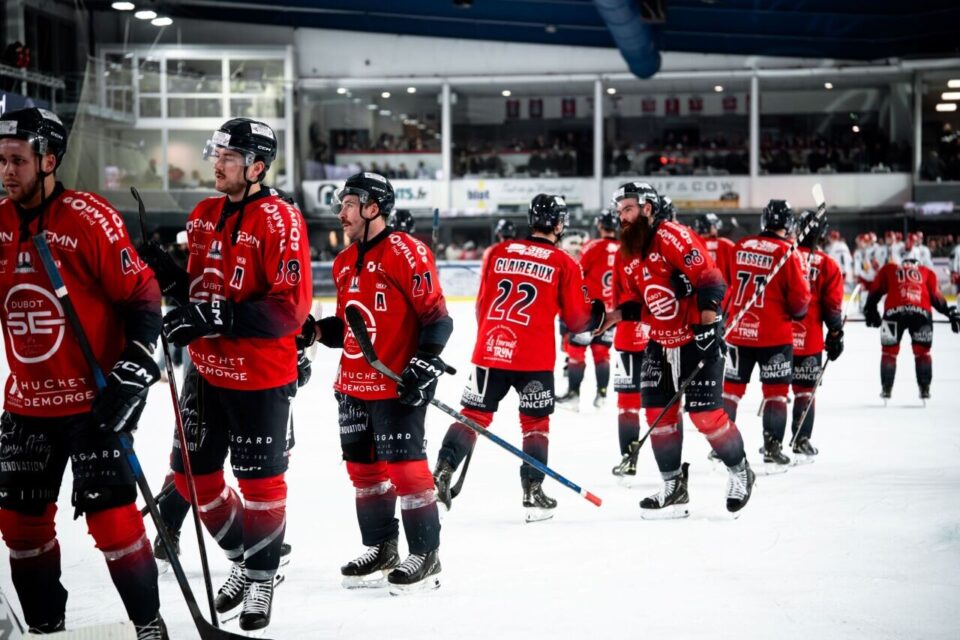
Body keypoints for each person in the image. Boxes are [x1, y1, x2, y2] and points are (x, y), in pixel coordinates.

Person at [139, 118, 312, 631]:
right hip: (206, 372)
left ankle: (260, 577)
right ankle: (250, 556)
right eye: (216, 154)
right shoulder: (203, 214)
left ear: (256, 167)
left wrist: (214, 315)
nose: (217, 163)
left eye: (228, 157)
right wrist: (166, 272)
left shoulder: (281, 220)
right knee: (192, 479)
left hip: (260, 375)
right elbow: (201, 291)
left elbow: (289, 310)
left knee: (260, 485)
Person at [0, 108, 167, 637]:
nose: (6, 171)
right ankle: (45, 626)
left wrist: (135, 364)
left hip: (94, 401)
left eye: (18, 160)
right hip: (27, 403)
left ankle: (149, 623)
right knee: (20, 527)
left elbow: (142, 293)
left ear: (49, 161)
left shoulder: (88, 217)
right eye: (1, 161)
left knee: (113, 520)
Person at [299, 172, 453, 594]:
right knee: (364, 472)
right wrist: (316, 331)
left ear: (373, 208)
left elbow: (438, 318)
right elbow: (350, 329)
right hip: (352, 385)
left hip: (396, 384)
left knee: (406, 471)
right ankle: (382, 548)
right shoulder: (344, 261)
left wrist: (424, 362)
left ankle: (426, 554)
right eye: (342, 205)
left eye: (349, 204)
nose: (341, 213)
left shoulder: (406, 251)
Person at [433, 194, 605, 522]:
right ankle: (532, 491)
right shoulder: (564, 262)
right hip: (533, 357)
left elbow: (482, 305)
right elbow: (578, 321)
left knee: (473, 416)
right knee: (535, 423)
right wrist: (596, 313)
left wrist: (490, 342)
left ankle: (442, 471)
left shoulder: (498, 251)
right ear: (559, 224)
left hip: (491, 348)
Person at [600, 182, 755, 517]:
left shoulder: (672, 235)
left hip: (695, 338)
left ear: (647, 209)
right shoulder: (629, 251)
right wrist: (613, 316)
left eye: (628, 209)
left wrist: (709, 326)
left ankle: (740, 470)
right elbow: (644, 304)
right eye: (619, 211)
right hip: (659, 342)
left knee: (705, 416)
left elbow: (711, 279)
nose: (621, 216)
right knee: (658, 416)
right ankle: (673, 486)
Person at [722, 200, 811, 471]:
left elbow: (728, 285)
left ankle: (720, 446)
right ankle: (772, 448)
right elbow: (800, 301)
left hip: (738, 331)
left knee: (730, 392)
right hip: (774, 336)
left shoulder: (740, 246)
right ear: (789, 224)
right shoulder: (788, 252)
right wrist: (798, 313)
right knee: (776, 394)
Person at [864, 257, 960, 401]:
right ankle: (925, 388)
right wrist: (949, 312)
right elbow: (936, 297)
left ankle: (886, 388)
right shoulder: (927, 272)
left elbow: (875, 290)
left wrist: (870, 310)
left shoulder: (890, 269)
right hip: (921, 312)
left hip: (893, 312)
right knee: (922, 352)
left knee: (889, 352)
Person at [791, 211, 845, 458]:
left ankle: (772, 444)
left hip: (779, 338)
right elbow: (832, 306)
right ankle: (801, 440)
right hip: (809, 338)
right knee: (804, 391)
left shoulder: (786, 256)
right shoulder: (828, 264)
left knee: (776, 393)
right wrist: (835, 333)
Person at [558, 209, 619, 410]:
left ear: (600, 225)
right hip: (611, 313)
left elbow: (577, 275)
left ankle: (574, 395)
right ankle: (602, 395)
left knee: (576, 352)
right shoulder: (624, 249)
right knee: (602, 353)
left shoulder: (592, 246)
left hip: (588, 312)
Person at [693, 213, 734, 285]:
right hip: (723, 288)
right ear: (711, 227)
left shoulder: (693, 243)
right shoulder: (725, 243)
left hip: (700, 289)